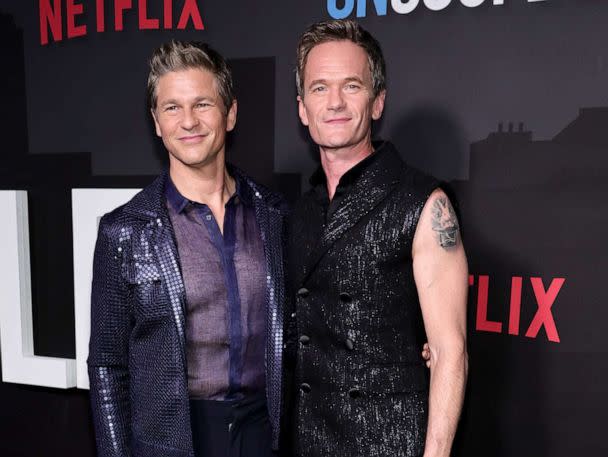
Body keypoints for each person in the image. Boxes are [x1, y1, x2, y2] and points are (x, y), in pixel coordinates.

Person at [87, 40, 288, 457]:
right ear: (156, 122)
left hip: (264, 434)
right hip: (173, 439)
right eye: (172, 108)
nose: (189, 121)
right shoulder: (123, 231)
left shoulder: (275, 215)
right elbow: (108, 364)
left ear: (230, 113)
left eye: (202, 104)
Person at [287, 19, 469, 457]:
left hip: (391, 441)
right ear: (301, 108)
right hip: (308, 440)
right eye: (319, 88)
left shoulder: (423, 201)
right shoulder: (300, 211)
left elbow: (449, 351)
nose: (334, 103)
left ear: (377, 101)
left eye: (351, 86)